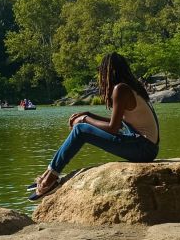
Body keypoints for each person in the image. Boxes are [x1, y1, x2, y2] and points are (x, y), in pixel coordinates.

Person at [29, 52, 160, 201]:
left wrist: (85, 119)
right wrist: (89, 114)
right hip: (145, 146)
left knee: (80, 130)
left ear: (108, 72)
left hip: (143, 148)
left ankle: (50, 179)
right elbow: (119, 123)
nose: (100, 76)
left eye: (101, 71)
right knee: (82, 128)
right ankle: (49, 173)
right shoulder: (131, 87)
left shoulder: (121, 89)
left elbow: (113, 128)